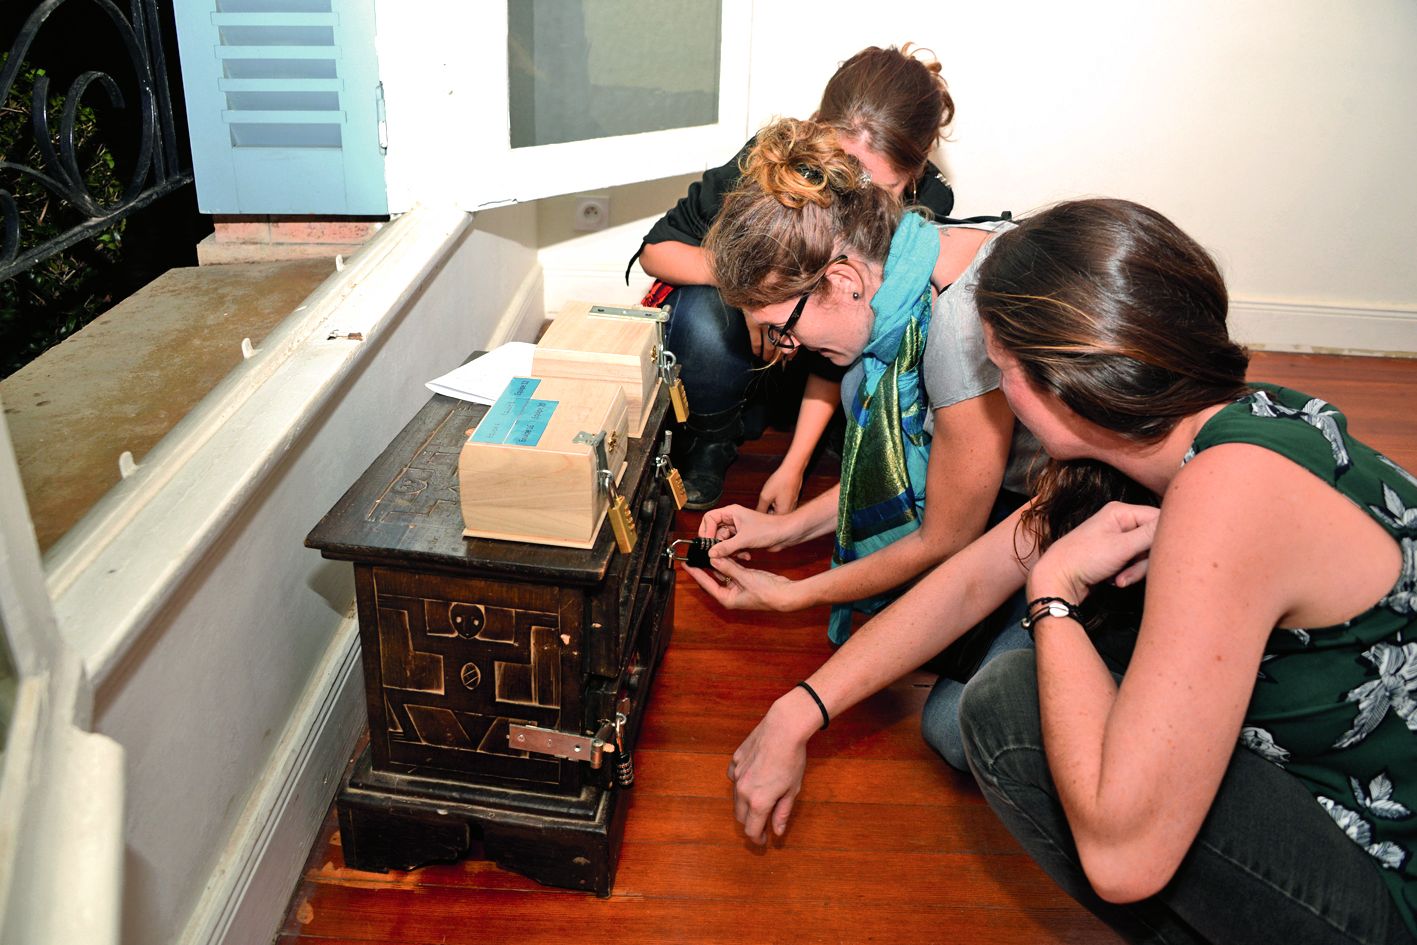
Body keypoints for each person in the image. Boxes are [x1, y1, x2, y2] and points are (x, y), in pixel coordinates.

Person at [727, 198, 1417, 944]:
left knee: (1007, 709)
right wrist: (796, 710)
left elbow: (1124, 863)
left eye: (1000, 364)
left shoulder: (1224, 497)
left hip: (1386, 874)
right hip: (1345, 787)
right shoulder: (1209, 430)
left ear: (1059, 377)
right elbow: (965, 583)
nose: (997, 387)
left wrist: (1051, 595)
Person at [686, 117, 1042, 770]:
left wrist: (791, 593)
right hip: (1007, 496)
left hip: (1082, 501)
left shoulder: (956, 337)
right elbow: (910, 471)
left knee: (964, 732)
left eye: (782, 329)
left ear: (845, 280)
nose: (786, 352)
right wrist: (783, 531)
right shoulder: (907, 272)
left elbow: (945, 535)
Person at [631, 44, 957, 512]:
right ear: (819, 136)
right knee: (703, 314)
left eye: (881, 188)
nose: (856, 198)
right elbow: (657, 251)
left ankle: (828, 441)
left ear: (917, 169)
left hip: (834, 363)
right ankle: (711, 437)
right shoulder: (771, 160)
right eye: (845, 171)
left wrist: (794, 466)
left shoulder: (929, 205)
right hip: (752, 357)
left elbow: (850, 330)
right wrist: (758, 298)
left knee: (890, 324)